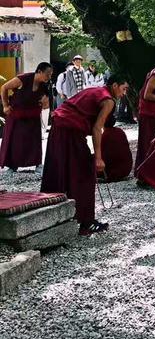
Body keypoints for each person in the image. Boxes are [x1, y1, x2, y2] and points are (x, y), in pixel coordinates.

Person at [40, 74, 129, 235]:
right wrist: (99, 158)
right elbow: (97, 128)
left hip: (59, 125)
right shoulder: (108, 99)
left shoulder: (95, 90)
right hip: (70, 129)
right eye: (123, 89)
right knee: (85, 172)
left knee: (58, 169)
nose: (124, 94)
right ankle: (85, 222)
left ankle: (46, 217)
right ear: (115, 85)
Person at [0, 62, 52, 172]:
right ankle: (12, 166)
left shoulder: (43, 85)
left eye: (51, 74)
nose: (49, 77)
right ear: (39, 71)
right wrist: (5, 106)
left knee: (34, 140)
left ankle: (37, 164)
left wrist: (44, 103)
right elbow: (4, 88)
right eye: (47, 74)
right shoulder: (23, 79)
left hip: (32, 116)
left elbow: (45, 102)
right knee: (16, 141)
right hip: (17, 115)